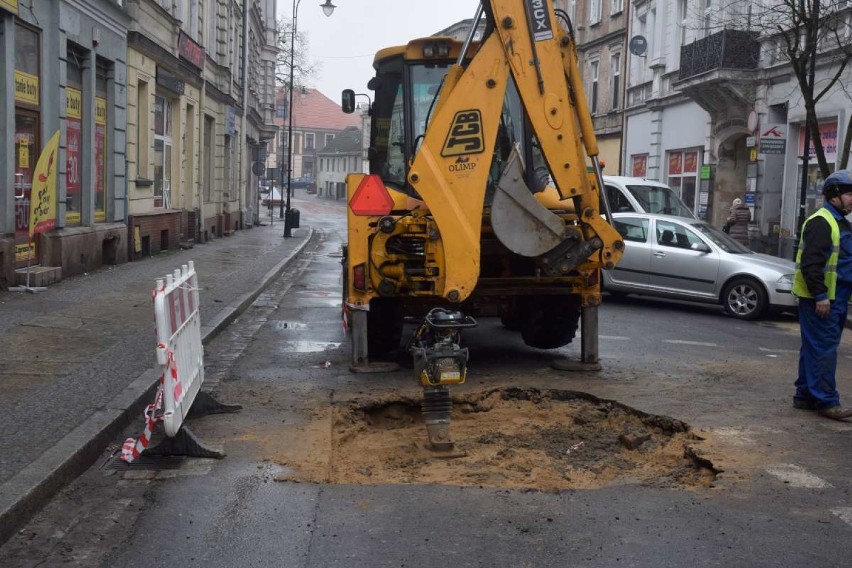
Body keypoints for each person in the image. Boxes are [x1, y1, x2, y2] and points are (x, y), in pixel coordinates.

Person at [792, 170, 852, 420]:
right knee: (824, 349)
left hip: (835, 297)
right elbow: (811, 264)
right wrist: (820, 295)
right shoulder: (822, 222)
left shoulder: (839, 221)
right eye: (849, 194)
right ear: (834, 195)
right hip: (825, 299)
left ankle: (805, 395)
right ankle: (827, 401)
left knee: (814, 347)